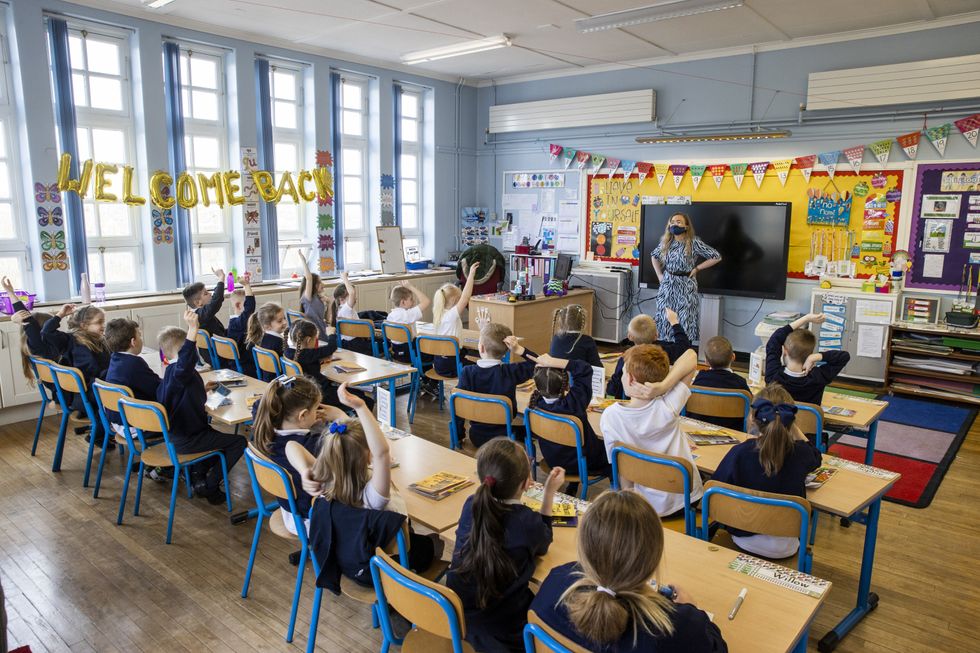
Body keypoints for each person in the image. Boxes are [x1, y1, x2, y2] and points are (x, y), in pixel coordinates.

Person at [530, 490, 727, 653]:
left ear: (584, 546)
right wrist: (693, 611)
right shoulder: (674, 627)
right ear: (653, 558)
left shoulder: (555, 582)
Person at [288, 383, 441, 579]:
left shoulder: (326, 481)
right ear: (369, 455)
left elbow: (291, 445)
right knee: (434, 543)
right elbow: (382, 453)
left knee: (413, 538)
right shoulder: (373, 497)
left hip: (345, 562)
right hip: (377, 572)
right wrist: (359, 406)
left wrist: (304, 471)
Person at [447, 438, 564, 652]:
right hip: (506, 633)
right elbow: (544, 543)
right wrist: (549, 493)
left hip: (458, 619)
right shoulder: (526, 521)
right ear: (526, 483)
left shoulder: (471, 504)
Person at [712, 384, 822, 559]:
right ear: (791, 420)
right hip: (786, 545)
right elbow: (816, 455)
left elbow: (715, 489)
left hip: (743, 538)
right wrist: (791, 426)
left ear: (752, 418)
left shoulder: (739, 452)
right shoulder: (801, 454)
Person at [156, 309, 247, 504]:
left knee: (220, 442)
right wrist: (192, 330)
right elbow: (184, 365)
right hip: (189, 438)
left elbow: (179, 392)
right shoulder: (181, 371)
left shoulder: (170, 374)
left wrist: (201, 389)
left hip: (180, 436)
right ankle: (209, 485)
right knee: (238, 442)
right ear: (186, 352)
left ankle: (198, 474)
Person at [601, 346, 701, 517]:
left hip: (643, 506)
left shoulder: (610, 416)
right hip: (684, 499)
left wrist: (631, 508)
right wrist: (663, 386)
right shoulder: (668, 405)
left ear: (630, 379)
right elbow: (691, 356)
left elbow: (622, 470)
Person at [252, 374, 345, 535]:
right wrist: (340, 416)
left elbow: (258, 405)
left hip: (290, 511)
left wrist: (310, 422)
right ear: (302, 415)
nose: (318, 412)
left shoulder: (262, 432)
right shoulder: (312, 445)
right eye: (316, 409)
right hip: (312, 520)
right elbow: (355, 445)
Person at [528, 353, 608, 494]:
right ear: (566, 386)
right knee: (613, 455)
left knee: (574, 445)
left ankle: (573, 485)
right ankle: (615, 491)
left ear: (537, 385)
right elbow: (584, 369)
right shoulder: (574, 403)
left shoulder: (535, 405)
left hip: (553, 460)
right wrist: (555, 361)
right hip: (581, 464)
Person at [454, 325, 539, 448]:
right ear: (507, 351)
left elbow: (458, 406)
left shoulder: (467, 372)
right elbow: (539, 363)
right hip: (505, 437)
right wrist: (519, 349)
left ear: (481, 348)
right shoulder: (509, 372)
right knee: (530, 430)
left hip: (476, 437)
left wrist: (458, 435)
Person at [650, 213, 722, 343]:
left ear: (686, 226)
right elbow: (654, 256)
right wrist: (659, 275)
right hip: (667, 286)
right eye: (672, 222)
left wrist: (697, 268)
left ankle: (683, 350)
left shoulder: (694, 242)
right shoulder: (666, 242)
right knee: (665, 318)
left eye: (678, 222)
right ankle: (667, 351)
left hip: (686, 286)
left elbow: (716, 256)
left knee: (685, 320)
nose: (674, 224)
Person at [284, 318, 374, 411]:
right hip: (322, 394)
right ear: (308, 340)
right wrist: (331, 334)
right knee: (367, 401)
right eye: (315, 339)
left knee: (359, 393)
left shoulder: (288, 352)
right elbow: (331, 347)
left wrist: (318, 360)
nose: (316, 341)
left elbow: (306, 362)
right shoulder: (306, 354)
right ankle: (355, 419)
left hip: (309, 393)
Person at [764, 313, 850, 405]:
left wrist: (806, 318)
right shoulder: (818, 377)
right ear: (810, 354)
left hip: (779, 415)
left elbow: (775, 339)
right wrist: (816, 357)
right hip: (808, 415)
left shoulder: (773, 375)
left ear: (785, 351)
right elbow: (844, 357)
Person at [606, 310, 692, 399]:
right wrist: (674, 322)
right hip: (660, 399)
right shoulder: (663, 354)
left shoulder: (626, 358)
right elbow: (683, 345)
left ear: (629, 336)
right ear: (656, 335)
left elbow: (614, 386)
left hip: (632, 401)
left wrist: (609, 397)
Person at [690, 336, 751, 431]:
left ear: (706, 362)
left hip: (700, 430)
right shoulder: (740, 383)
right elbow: (750, 407)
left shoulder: (699, 379)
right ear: (733, 357)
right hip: (733, 433)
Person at [431, 261, 480, 377]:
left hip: (438, 364)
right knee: (481, 370)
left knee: (466, 357)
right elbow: (466, 297)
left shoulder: (438, 313)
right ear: (454, 301)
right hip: (451, 365)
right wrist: (471, 275)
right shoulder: (450, 316)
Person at [105, 317, 160, 402]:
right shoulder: (135, 363)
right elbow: (158, 388)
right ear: (133, 342)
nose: (141, 339)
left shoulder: (114, 358)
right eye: (140, 336)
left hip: (118, 407)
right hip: (140, 409)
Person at [183, 267, 228, 364]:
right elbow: (216, 301)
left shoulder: (198, 314)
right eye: (206, 293)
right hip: (219, 357)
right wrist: (221, 278)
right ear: (198, 302)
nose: (210, 294)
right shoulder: (199, 316)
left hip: (217, 354)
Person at [386, 280, 431, 363]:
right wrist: (411, 287)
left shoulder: (390, 316)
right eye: (411, 299)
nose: (413, 301)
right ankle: (424, 371)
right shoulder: (407, 315)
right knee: (432, 350)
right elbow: (426, 301)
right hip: (409, 353)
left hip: (396, 353)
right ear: (403, 302)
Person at [244, 302, 288, 380]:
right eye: (279, 321)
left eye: (284, 318)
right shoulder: (278, 342)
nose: (285, 322)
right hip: (280, 381)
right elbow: (289, 363)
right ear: (267, 326)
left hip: (267, 379)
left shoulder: (261, 338)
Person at [548, 304, 601, 368]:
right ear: (583, 323)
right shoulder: (588, 341)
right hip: (578, 374)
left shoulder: (555, 338)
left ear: (560, 322)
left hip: (556, 374)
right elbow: (598, 367)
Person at [225, 274, 255, 358]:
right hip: (245, 362)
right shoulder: (238, 323)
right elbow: (250, 308)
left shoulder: (235, 322)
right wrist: (247, 285)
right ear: (238, 305)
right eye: (246, 303)